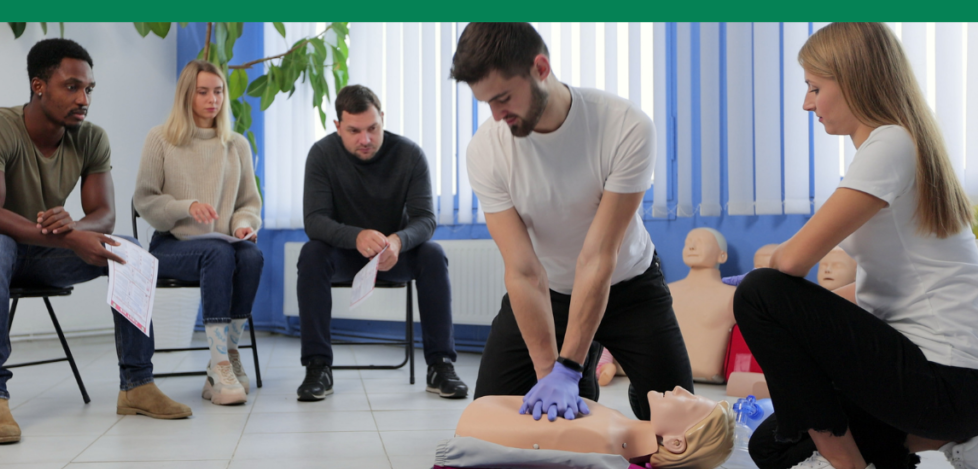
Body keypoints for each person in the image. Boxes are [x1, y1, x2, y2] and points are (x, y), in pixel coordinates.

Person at [735, 22, 978, 469]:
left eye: (814, 87)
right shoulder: (903, 145)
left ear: (856, 79)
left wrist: (760, 294)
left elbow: (794, 259)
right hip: (947, 385)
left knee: (759, 290)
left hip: (947, 380)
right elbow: (875, 296)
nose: (808, 104)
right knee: (773, 447)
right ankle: (969, 442)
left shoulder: (889, 144)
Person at [451, 23, 693, 422]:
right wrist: (550, 373)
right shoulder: (486, 150)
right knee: (489, 420)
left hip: (628, 288)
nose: (496, 116)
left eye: (503, 98)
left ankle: (590, 361)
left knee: (680, 423)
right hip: (547, 292)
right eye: (486, 104)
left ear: (540, 68)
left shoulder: (625, 127)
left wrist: (567, 369)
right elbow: (523, 270)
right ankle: (583, 369)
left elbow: (598, 256)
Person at [0, 38, 192, 444]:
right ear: (38, 86)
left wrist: (76, 230)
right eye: (72, 87)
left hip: (39, 250)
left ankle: (137, 384)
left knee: (128, 250)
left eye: (89, 89)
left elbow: (105, 215)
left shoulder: (90, 137)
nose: (84, 98)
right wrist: (70, 238)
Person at [296, 84, 467, 401]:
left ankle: (440, 365)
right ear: (337, 127)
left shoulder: (409, 154)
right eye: (354, 131)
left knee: (433, 254)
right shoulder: (321, 155)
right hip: (345, 254)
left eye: (373, 128)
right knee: (312, 254)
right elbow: (315, 221)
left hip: (394, 255)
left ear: (382, 118)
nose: (366, 139)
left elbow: (426, 219)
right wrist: (355, 235)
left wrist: (399, 241)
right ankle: (318, 366)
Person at [134, 60, 263, 406]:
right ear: (186, 95)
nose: (213, 99)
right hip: (173, 245)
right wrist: (185, 206)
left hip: (224, 243)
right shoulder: (160, 139)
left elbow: (249, 203)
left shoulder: (236, 145)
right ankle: (221, 364)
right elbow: (145, 199)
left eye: (218, 91)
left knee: (251, 256)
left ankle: (225, 357)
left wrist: (242, 224)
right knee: (218, 254)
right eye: (203, 91)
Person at [455, 387, 734, 469]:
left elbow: (475, 431)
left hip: (477, 419)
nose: (680, 389)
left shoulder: (605, 440)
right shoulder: (615, 426)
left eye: (690, 401)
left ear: (675, 443)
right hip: (488, 410)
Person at [668, 228, 736, 383]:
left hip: (712, 389)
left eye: (701, 242)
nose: (691, 247)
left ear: (722, 255)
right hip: (664, 380)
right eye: (688, 243)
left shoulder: (732, 295)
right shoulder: (666, 292)